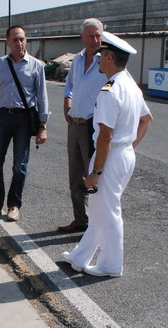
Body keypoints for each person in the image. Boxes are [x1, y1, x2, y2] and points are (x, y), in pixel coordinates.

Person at [62, 31, 152, 278]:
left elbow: (105, 136)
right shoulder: (130, 85)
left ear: (110, 58)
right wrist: (128, 147)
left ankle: (111, 265)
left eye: (101, 55)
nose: (98, 59)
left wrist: (96, 172)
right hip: (123, 154)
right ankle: (80, 256)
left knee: (109, 211)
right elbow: (147, 119)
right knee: (100, 209)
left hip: (111, 157)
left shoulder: (109, 91)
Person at [0, 25, 49, 222]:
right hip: (2, 118)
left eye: (22, 39)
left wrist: (43, 127)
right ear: (7, 42)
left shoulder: (36, 66)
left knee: (20, 166)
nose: (19, 43)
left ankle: (14, 205)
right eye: (15, 40)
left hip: (23, 120)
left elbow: (42, 97)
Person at [58, 18, 108, 234]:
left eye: (98, 36)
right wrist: (67, 101)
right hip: (75, 124)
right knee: (76, 175)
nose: (95, 40)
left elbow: (115, 85)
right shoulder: (78, 60)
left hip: (93, 125)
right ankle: (81, 220)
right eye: (91, 36)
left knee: (95, 176)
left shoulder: (106, 59)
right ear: (82, 37)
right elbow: (69, 84)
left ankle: (98, 226)